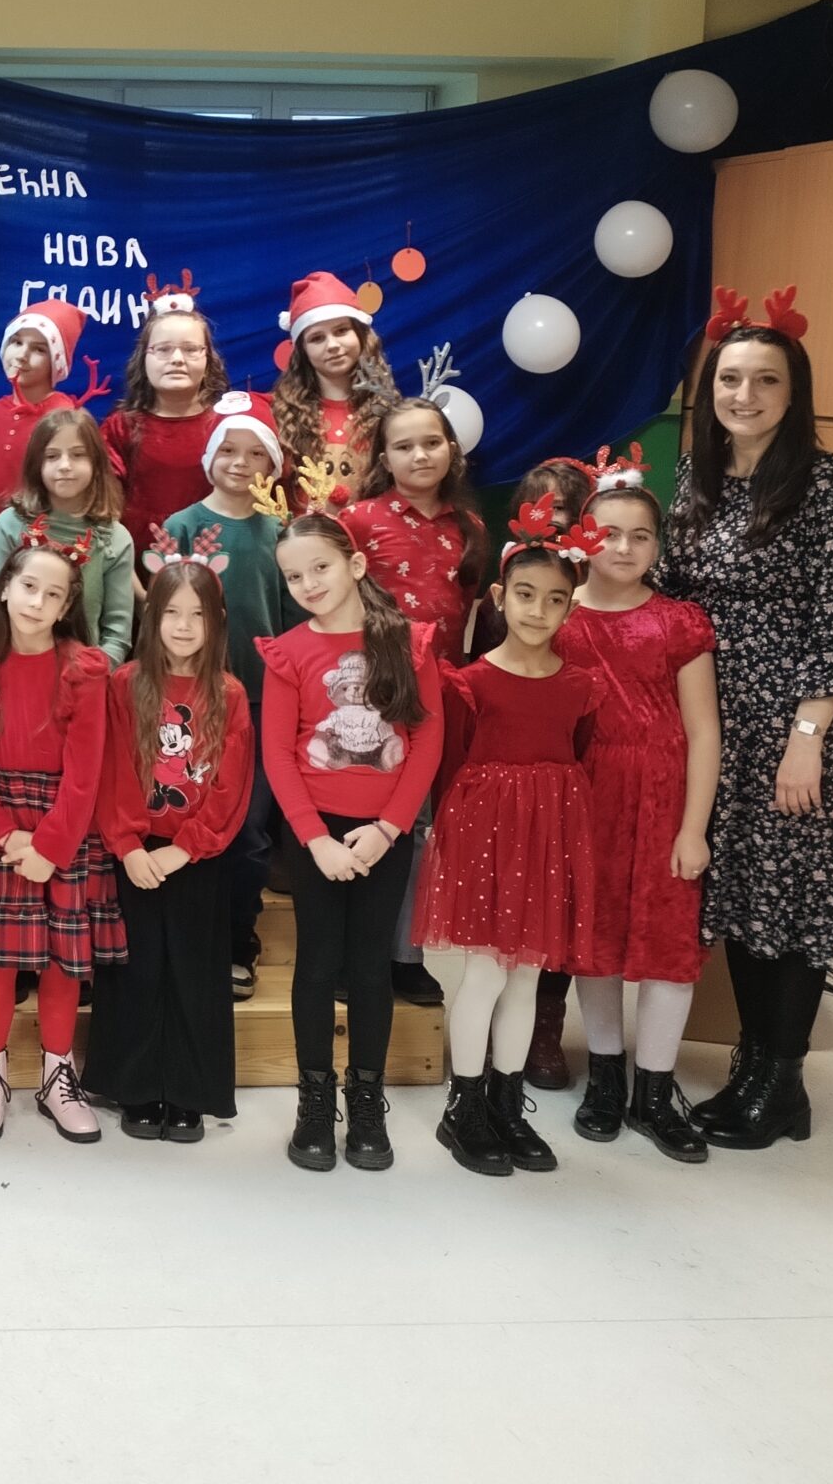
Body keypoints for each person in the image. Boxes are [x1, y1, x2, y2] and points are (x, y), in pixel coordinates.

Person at [659, 286, 833, 1149]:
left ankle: (781, 1082)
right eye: (730, 379)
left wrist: (807, 740)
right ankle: (753, 1069)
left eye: (765, 381)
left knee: (791, 906)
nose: (744, 395)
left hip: (795, 728)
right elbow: (670, 597)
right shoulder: (694, 478)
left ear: (794, 395)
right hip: (713, 725)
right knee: (744, 899)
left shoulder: (827, 483)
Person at [417, 501, 607, 1177]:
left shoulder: (580, 687)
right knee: (486, 973)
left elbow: (574, 758)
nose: (538, 611)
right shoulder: (470, 683)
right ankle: (463, 1108)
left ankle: (505, 1102)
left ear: (571, 607)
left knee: (527, 976)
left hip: (547, 838)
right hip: (485, 840)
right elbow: (452, 773)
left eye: (555, 600)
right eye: (525, 595)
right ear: (500, 596)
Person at [257, 512, 444, 1173]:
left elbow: (427, 741)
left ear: (355, 565)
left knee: (369, 969)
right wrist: (316, 839)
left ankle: (366, 1101)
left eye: (320, 567)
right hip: (316, 837)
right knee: (315, 966)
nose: (308, 583)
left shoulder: (408, 643)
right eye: (293, 576)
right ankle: (315, 1101)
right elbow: (278, 754)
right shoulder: (288, 652)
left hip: (384, 835)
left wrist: (389, 829)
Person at [555, 461, 719, 1161]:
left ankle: (654, 1090)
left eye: (641, 536)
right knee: (594, 940)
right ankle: (605, 1076)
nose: (623, 548)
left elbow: (704, 731)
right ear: (583, 536)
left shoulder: (678, 622)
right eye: (609, 533)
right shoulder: (559, 615)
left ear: (658, 544)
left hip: (663, 798)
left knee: (667, 947)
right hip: (588, 796)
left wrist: (693, 829)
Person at [88, 556, 253, 1142]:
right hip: (135, 855)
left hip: (196, 858)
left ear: (217, 622)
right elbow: (112, 769)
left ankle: (187, 1093)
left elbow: (231, 783)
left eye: (197, 615)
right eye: (172, 613)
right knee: (134, 971)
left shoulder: (229, 694)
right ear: (152, 616)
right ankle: (134, 1087)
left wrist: (186, 848)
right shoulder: (126, 684)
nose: (183, 626)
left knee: (193, 975)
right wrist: (129, 845)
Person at [0, 529, 117, 1143]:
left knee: (63, 962)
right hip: (2, 820)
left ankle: (57, 1075)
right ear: (4, 588)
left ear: (67, 604)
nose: (37, 601)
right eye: (28, 586)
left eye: (53, 594)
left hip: (64, 826)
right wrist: (4, 836)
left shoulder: (84, 668)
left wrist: (50, 847)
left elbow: (86, 771)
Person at [342, 395, 490, 1009]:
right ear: (383, 457)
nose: (419, 455)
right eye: (403, 446)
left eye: (431, 443)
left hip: (438, 699)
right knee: (363, 820)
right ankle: (357, 957)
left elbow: (469, 610)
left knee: (421, 828)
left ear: (451, 449)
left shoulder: (470, 526)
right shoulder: (358, 519)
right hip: (368, 696)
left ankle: (406, 956)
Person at [158, 391, 297, 997]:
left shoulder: (282, 533)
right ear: (211, 456)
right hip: (189, 703)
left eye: (255, 453)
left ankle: (240, 940)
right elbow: (163, 616)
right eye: (229, 450)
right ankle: (185, 938)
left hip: (263, 703)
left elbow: (295, 624)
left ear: (273, 464)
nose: (240, 463)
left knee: (249, 828)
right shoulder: (183, 527)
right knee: (186, 817)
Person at [478, 455, 599, 1089]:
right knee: (500, 913)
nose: (550, 522)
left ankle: (544, 1027)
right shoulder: (506, 584)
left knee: (557, 905)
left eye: (563, 512)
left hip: (569, 772)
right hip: (504, 775)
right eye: (539, 509)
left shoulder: (592, 588)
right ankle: (491, 1032)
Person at [0, 405, 136, 663]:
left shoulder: (115, 538)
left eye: (78, 455)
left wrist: (95, 675)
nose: (64, 466)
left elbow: (117, 632)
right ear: (36, 464)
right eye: (52, 456)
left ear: (96, 463)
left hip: (83, 675)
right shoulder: (10, 525)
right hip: (12, 668)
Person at [102, 279, 229, 553]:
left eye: (191, 349)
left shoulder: (228, 424)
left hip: (216, 557)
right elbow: (104, 508)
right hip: (137, 562)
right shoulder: (121, 427)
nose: (177, 359)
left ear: (208, 359)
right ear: (144, 358)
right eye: (163, 349)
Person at [270, 271, 398, 505]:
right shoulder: (279, 413)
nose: (332, 345)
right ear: (303, 351)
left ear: (361, 335)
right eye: (317, 338)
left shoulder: (389, 409)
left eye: (341, 331)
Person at [0, 298, 89, 549]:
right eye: (16, 342)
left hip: (42, 550)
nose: (22, 355)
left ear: (56, 361)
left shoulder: (64, 418)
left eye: (39, 349)